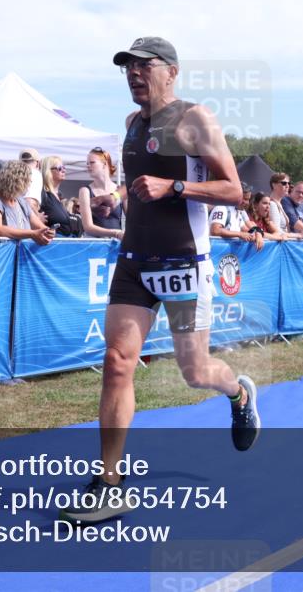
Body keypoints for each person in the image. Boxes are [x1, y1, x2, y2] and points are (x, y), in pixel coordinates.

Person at [60, 36, 260, 525]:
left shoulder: (196, 119)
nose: (133, 74)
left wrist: (174, 186)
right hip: (134, 261)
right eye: (126, 67)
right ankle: (109, 483)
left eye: (143, 66)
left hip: (185, 265)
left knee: (194, 372)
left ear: (171, 71)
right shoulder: (131, 125)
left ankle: (239, 393)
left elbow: (235, 191)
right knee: (116, 361)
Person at [0, 161, 55, 245]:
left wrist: (48, 231)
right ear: (17, 181)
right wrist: (32, 234)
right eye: (27, 180)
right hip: (3, 255)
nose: (29, 183)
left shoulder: (21, 201)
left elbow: (39, 226)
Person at [78, 147, 124, 240]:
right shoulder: (85, 191)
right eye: (87, 163)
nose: (88, 166)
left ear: (104, 164)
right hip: (95, 245)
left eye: (92, 162)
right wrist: (116, 233)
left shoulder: (119, 190)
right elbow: (88, 227)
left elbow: (132, 219)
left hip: (116, 244)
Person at [210, 186, 264, 250]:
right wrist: (239, 234)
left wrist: (258, 233)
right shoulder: (221, 208)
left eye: (248, 199)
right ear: (235, 196)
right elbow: (215, 230)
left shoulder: (238, 212)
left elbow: (248, 231)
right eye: (245, 199)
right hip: (214, 254)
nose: (247, 203)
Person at [39, 155, 79, 237]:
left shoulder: (58, 196)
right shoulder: (42, 193)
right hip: (50, 244)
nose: (64, 170)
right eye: (59, 168)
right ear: (48, 171)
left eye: (64, 167)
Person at [267, 172, 300, 238]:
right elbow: (277, 231)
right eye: (284, 183)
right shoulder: (272, 204)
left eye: (289, 183)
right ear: (274, 185)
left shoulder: (279, 204)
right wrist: (298, 235)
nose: (287, 186)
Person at [19, 148, 44, 215]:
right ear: (38, 163)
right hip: (27, 218)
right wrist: (38, 217)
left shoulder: (14, 174)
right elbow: (29, 202)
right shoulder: (35, 174)